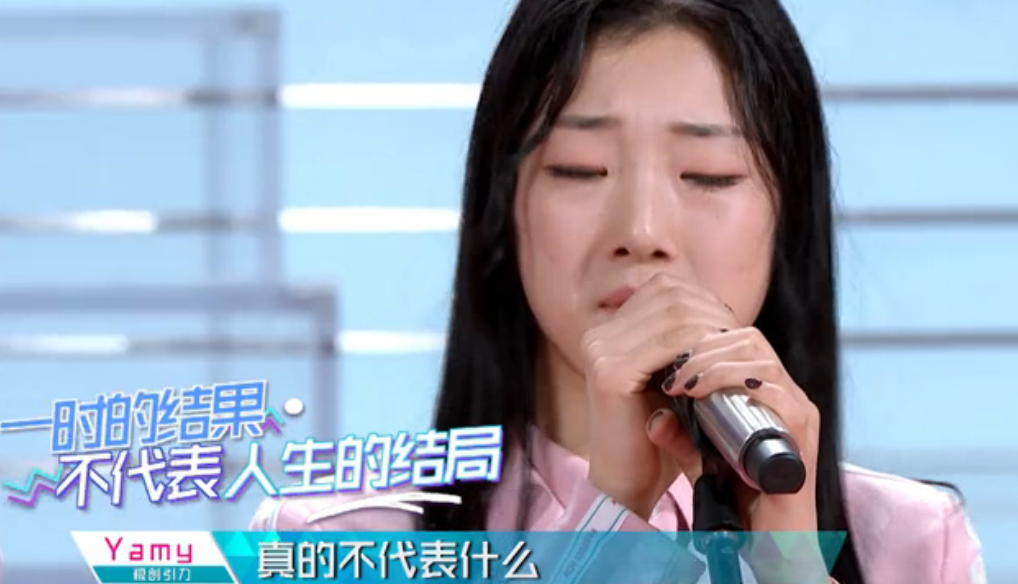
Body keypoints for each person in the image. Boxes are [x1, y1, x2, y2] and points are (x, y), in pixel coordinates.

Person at [251, 0, 987, 582]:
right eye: (579, 168)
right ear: (503, 211)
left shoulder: (915, 544)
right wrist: (613, 523)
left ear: (784, 219)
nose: (642, 230)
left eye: (708, 176)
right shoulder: (332, 544)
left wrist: (791, 570)